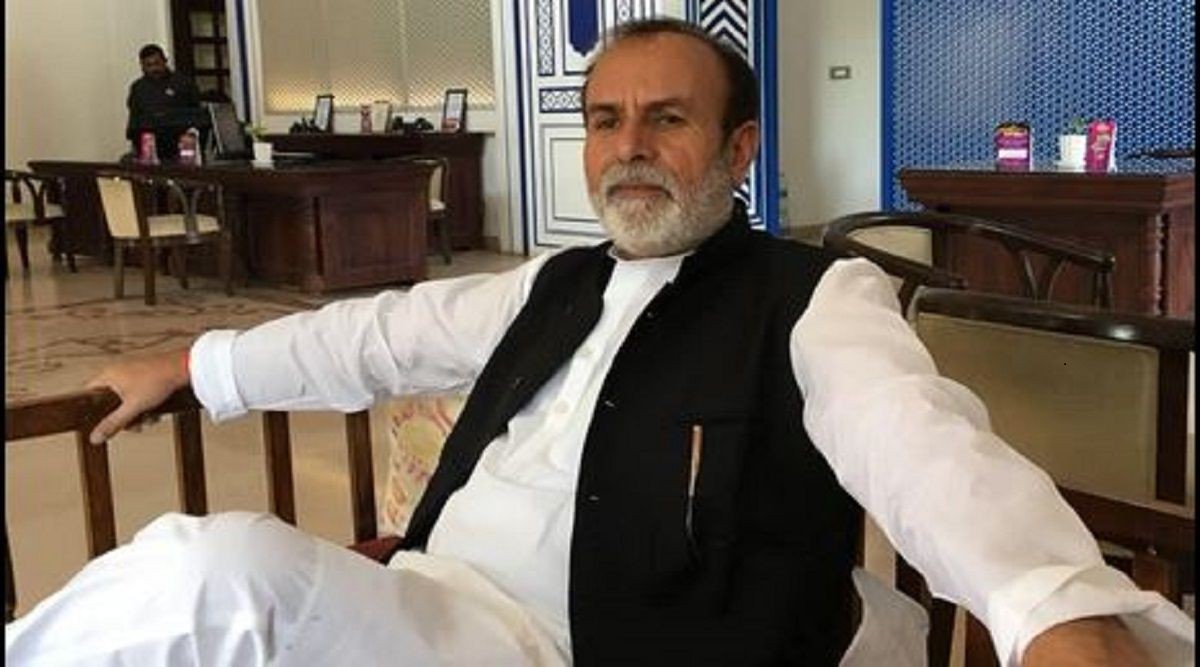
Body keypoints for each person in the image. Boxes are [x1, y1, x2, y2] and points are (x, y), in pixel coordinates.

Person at [7, 19, 1192, 667]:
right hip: (422, 610)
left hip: (568, 645)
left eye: (668, 119)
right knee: (197, 576)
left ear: (738, 149)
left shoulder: (812, 297)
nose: (630, 146)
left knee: (212, 574)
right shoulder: (554, 281)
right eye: (607, 119)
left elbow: (926, 453)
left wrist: (1048, 609)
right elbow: (373, 339)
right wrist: (192, 366)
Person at [125, 44, 201, 161]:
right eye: (149, 65)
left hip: (181, 146)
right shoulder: (138, 88)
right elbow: (134, 120)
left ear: (165, 61)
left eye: (157, 63)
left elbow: (197, 115)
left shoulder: (183, 84)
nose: (154, 69)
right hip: (149, 147)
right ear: (142, 66)